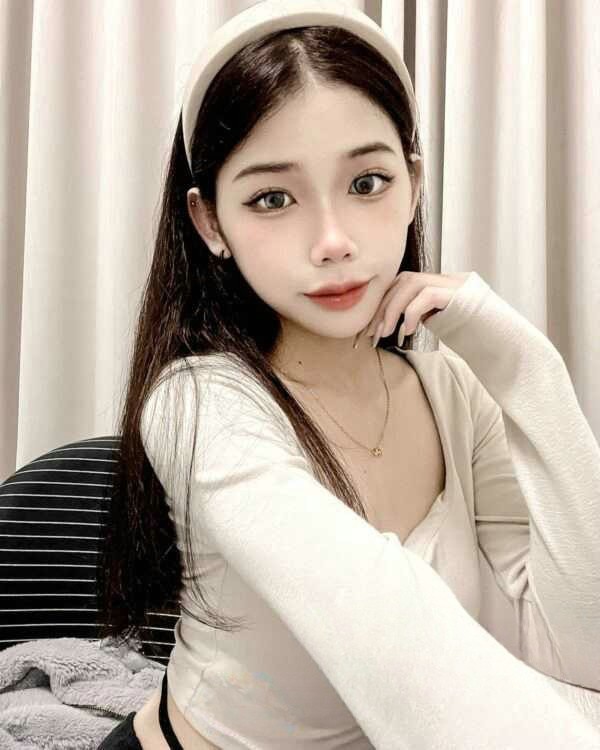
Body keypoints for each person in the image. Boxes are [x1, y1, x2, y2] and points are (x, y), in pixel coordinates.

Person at [96, 1, 600, 748]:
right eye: (273, 198)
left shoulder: (453, 389)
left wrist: (529, 368)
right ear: (210, 223)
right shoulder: (199, 404)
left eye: (367, 183)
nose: (333, 241)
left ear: (413, 182)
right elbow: (401, 648)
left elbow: (581, 651)